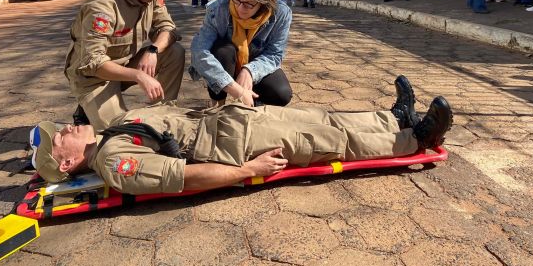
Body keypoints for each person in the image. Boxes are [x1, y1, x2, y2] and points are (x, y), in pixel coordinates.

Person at [30, 75, 454, 197]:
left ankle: (392, 118)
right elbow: (183, 177)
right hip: (236, 145)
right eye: (59, 139)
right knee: (330, 141)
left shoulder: (108, 132)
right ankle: (415, 139)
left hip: (232, 119)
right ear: (67, 163)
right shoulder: (114, 161)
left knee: (327, 117)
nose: (65, 128)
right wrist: (249, 170)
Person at [65, 0, 186, 131]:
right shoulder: (102, 7)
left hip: (124, 65)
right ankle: (87, 109)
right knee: (121, 133)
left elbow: (168, 28)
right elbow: (93, 62)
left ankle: (163, 116)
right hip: (93, 78)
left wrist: (153, 51)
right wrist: (139, 75)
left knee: (174, 51)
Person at [190, 0, 293, 108]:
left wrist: (249, 71)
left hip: (256, 60)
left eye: (249, 3)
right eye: (237, 0)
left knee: (282, 93)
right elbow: (199, 51)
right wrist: (235, 89)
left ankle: (253, 101)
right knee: (223, 52)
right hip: (226, 61)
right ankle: (217, 105)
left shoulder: (281, 13)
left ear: (264, 0)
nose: (240, 8)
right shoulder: (218, 9)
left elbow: (275, 54)